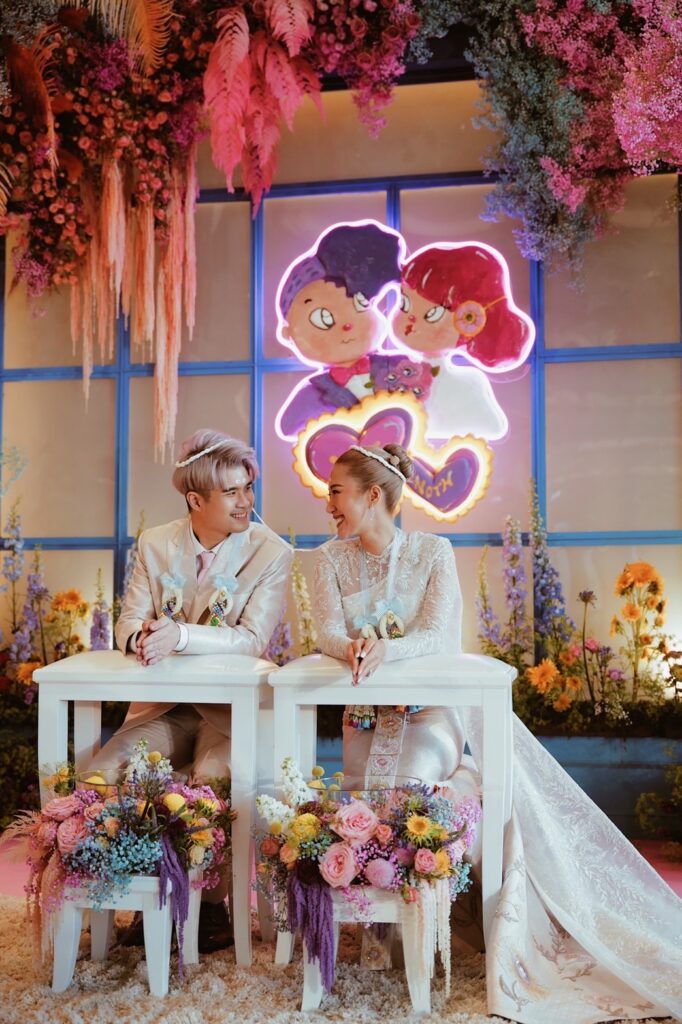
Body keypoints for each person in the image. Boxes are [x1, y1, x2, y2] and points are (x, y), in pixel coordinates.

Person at [313, 442, 682, 1024]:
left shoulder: (432, 551)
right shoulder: (328, 559)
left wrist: (388, 648)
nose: (328, 502)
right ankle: (375, 937)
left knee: (407, 787)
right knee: (358, 800)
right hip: (363, 716)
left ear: (372, 495)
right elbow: (327, 632)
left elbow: (439, 635)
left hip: (431, 714)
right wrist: (352, 645)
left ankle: (420, 942)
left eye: (336, 491)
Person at [87, 428, 293, 951]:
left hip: (232, 713)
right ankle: (140, 892)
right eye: (232, 491)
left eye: (249, 487)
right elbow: (127, 620)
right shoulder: (156, 542)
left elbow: (251, 639)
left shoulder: (271, 552)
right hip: (165, 707)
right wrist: (141, 637)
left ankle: (208, 906)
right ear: (195, 500)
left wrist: (179, 635)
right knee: (107, 771)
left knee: (212, 779)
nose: (246, 501)